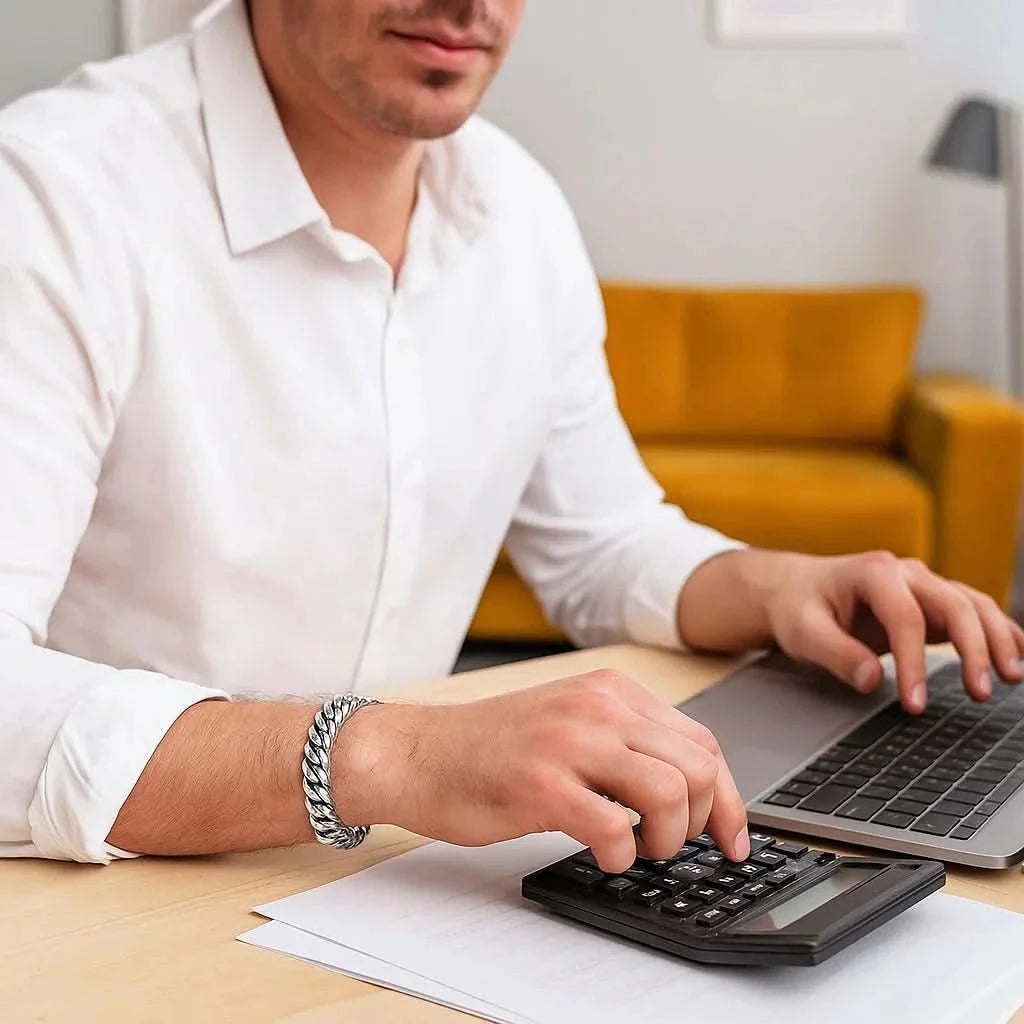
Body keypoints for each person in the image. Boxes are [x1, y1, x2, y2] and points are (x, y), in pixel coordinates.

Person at [0, 0, 1020, 872]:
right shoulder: (50, 193)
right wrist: (392, 758)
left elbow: (604, 541)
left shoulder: (518, 209)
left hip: (386, 883)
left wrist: (779, 586)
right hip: (104, 892)